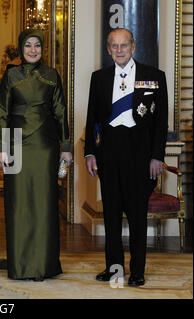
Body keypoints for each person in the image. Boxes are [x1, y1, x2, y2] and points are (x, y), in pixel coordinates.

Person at [84, 28, 168, 287]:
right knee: (110, 214)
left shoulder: (154, 76)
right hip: (109, 152)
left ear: (133, 47)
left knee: (137, 215)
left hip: (140, 154)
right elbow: (93, 119)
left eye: (124, 45)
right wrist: (89, 152)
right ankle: (114, 268)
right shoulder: (99, 78)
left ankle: (138, 270)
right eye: (114, 46)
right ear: (108, 49)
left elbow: (160, 122)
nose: (119, 50)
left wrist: (157, 156)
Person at [0, 29, 72, 281]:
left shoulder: (52, 74)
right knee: (18, 205)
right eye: (27, 45)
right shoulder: (10, 75)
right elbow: (2, 113)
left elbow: (60, 112)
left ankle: (44, 265)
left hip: (45, 146)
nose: (32, 50)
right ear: (20, 48)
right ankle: (20, 264)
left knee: (44, 204)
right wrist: (1, 148)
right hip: (16, 147)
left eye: (37, 45)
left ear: (42, 48)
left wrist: (68, 147)